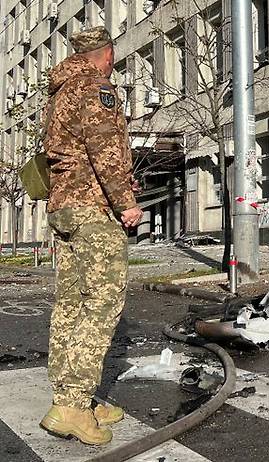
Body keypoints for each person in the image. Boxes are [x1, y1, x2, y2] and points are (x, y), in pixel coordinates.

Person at [39, 26, 143, 446]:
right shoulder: (97, 88)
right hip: (92, 208)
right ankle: (73, 407)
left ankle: (71, 395)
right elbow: (106, 151)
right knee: (102, 303)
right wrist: (126, 203)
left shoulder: (60, 89)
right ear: (108, 54)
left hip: (63, 207)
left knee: (70, 304)